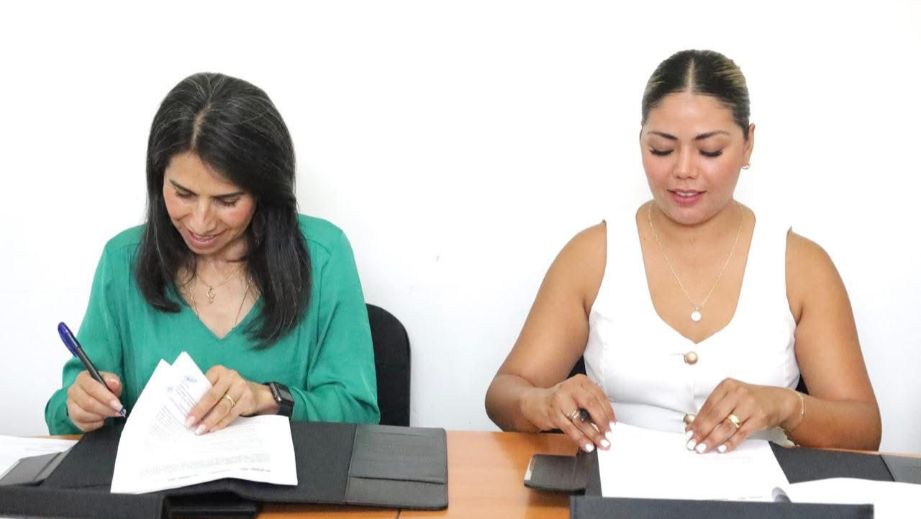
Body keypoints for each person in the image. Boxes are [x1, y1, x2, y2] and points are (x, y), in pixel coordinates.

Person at [485, 50, 881, 455]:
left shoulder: (801, 267)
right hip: (615, 486)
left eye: (710, 151)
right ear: (641, 141)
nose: (684, 170)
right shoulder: (592, 256)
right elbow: (505, 391)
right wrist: (542, 403)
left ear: (748, 145)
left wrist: (785, 406)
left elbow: (864, 428)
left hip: (760, 490)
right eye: (662, 149)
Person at [46, 73, 380, 435]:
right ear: (158, 181)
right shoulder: (122, 261)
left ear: (264, 191)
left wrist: (267, 398)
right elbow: (61, 413)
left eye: (227, 201)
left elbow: (359, 413)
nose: (201, 223)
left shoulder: (323, 256)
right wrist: (78, 406)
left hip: (291, 474)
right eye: (183, 194)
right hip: (156, 475)